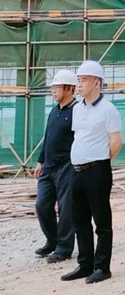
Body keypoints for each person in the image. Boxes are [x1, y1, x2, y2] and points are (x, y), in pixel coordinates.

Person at [61, 60, 122, 285]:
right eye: (78, 80)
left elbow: (116, 142)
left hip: (97, 170)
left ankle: (102, 267)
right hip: (77, 170)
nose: (79, 84)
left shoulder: (108, 109)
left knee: (101, 221)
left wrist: (99, 160)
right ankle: (85, 263)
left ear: (97, 82)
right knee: (80, 219)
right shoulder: (77, 109)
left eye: (84, 80)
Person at [33, 69, 78, 264]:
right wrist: (40, 161)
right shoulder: (54, 111)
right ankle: (52, 241)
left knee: (65, 208)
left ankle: (64, 248)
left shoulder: (77, 111)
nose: (53, 91)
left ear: (68, 88)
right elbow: (48, 138)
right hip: (49, 167)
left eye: (56, 87)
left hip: (66, 167)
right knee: (41, 205)